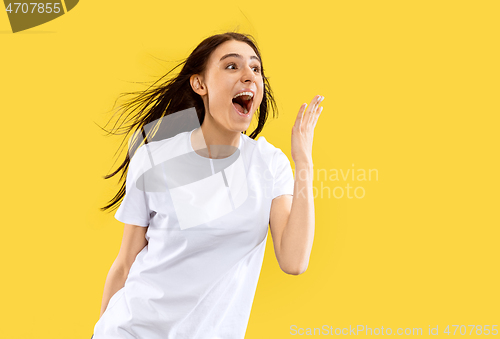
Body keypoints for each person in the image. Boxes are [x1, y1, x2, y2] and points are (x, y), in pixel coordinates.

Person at [91, 31, 324, 338]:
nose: (249, 76)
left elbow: (294, 261)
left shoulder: (269, 164)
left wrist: (303, 162)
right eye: (232, 66)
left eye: (256, 69)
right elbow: (124, 265)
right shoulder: (153, 158)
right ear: (199, 84)